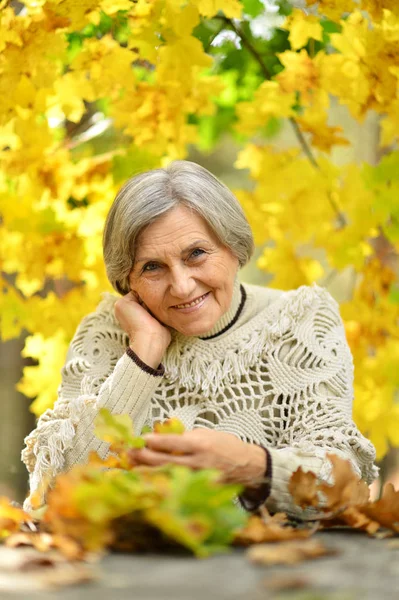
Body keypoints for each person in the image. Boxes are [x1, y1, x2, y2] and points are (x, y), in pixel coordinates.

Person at [22, 160, 378, 516]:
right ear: (128, 281)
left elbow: (339, 482)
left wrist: (253, 466)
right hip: (131, 564)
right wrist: (143, 354)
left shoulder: (302, 321)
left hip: (279, 564)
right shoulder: (107, 332)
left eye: (195, 254)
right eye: (152, 267)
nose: (181, 285)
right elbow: (58, 492)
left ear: (234, 247)